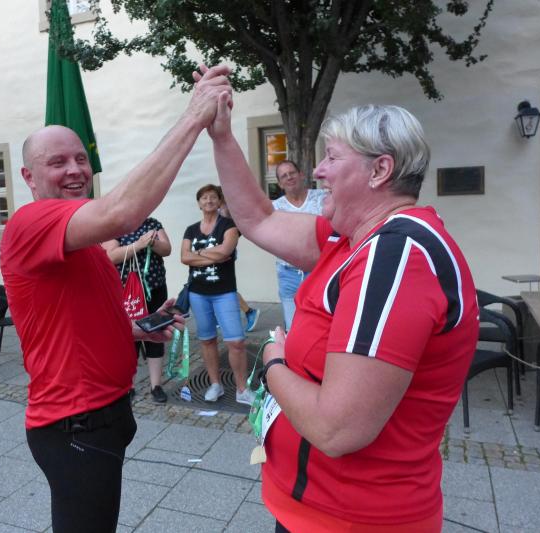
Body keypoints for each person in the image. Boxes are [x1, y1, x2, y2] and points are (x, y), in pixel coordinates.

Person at [207, 95, 479, 532]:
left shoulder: (395, 256)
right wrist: (221, 137)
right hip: (314, 509)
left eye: (332, 158)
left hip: (351, 518)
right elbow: (258, 219)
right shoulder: (350, 240)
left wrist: (274, 363)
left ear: (380, 170)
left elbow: (338, 429)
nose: (318, 171)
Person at [0, 64, 232, 533]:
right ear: (29, 176)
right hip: (75, 421)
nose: (75, 170)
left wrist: (138, 327)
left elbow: (75, 317)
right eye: (57, 162)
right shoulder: (30, 222)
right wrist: (194, 117)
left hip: (105, 412)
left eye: (80, 158)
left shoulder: (80, 237)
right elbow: (124, 211)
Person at [181, 184, 253, 406]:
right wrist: (213, 255)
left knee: (236, 342)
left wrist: (198, 254)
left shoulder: (229, 225)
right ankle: (215, 384)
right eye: (204, 198)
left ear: (220, 201)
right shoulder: (191, 230)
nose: (209, 201)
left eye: (213, 197)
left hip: (224, 293)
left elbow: (226, 251)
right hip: (198, 294)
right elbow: (184, 257)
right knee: (207, 340)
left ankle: (242, 389)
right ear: (199, 203)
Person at [102, 218, 172, 403]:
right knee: (128, 337)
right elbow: (110, 256)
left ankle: (156, 386)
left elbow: (167, 250)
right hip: (127, 293)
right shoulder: (115, 225)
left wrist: (153, 243)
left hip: (155, 288)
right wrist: (139, 244)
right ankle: (129, 385)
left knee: (156, 332)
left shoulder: (152, 224)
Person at [271, 160, 327, 331]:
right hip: (288, 273)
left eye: (292, 173)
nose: (289, 177)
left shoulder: (322, 198)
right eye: (284, 176)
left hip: (320, 270)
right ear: (280, 183)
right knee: (293, 326)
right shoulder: (275, 208)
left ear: (301, 175)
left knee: (322, 321)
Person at [217, 194, 259, 332]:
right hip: (215, 252)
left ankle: (249, 311)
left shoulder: (228, 209)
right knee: (218, 285)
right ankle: (222, 316)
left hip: (225, 254)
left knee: (225, 286)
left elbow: (236, 230)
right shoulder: (217, 210)